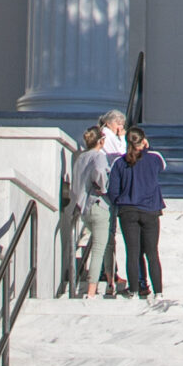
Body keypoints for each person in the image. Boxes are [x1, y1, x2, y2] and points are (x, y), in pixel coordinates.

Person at [107, 127, 167, 298]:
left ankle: (133, 290)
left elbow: (113, 190)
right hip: (150, 209)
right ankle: (158, 291)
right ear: (143, 141)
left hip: (128, 210)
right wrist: (147, 147)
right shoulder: (154, 158)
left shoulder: (119, 162)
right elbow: (162, 166)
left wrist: (120, 200)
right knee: (152, 253)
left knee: (132, 252)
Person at [69, 126, 110, 298]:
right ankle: (92, 290)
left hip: (83, 206)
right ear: (101, 141)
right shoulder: (98, 156)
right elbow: (100, 172)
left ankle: (110, 280)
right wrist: (103, 187)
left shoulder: (81, 157)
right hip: (97, 203)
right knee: (99, 248)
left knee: (104, 245)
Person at [96, 110, 127, 296]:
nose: (120, 128)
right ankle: (107, 272)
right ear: (110, 123)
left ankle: (109, 271)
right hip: (108, 190)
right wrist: (122, 139)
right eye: (118, 124)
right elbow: (121, 156)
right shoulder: (106, 136)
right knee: (107, 234)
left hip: (110, 188)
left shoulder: (108, 135)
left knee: (108, 234)